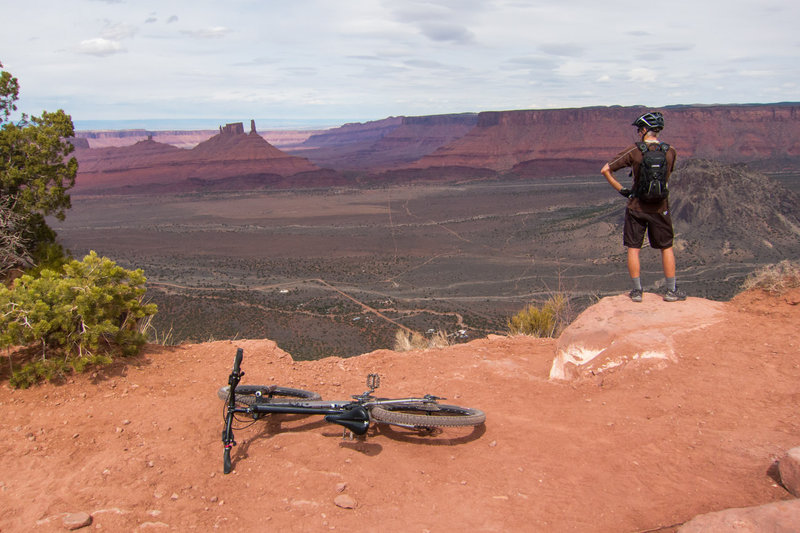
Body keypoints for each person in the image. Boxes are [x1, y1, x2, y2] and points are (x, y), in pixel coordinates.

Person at [600, 111, 686, 302]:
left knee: (633, 247)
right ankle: (671, 290)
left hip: (636, 206)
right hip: (660, 207)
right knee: (666, 247)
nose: (639, 132)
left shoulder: (634, 151)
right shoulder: (670, 151)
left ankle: (637, 292)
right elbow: (667, 177)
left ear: (645, 130)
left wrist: (623, 190)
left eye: (640, 129)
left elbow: (605, 169)